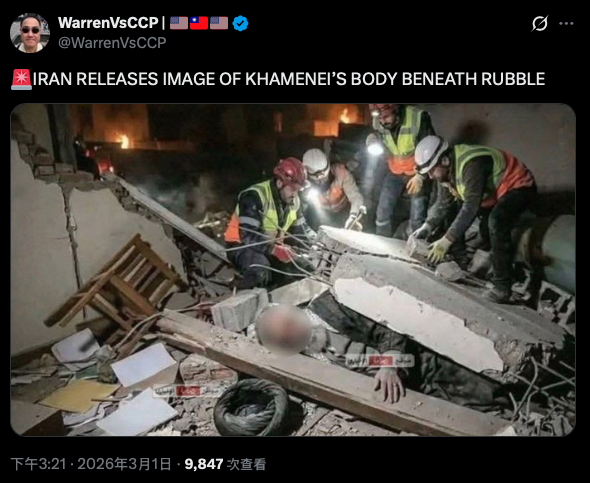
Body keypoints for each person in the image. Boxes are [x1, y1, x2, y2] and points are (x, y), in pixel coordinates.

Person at [251, 291, 509, 410]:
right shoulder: (305, 355)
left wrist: (389, 365)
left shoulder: (331, 305)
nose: (291, 336)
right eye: (284, 339)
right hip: (405, 392)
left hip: (419, 360)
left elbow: (389, 327)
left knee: (488, 391)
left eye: (289, 327)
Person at [411, 135, 536, 303]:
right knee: (480, 227)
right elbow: (443, 203)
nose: (431, 176)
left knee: (497, 221)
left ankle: (502, 287)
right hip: (493, 193)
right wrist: (427, 226)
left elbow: (470, 207)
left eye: (431, 171)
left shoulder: (472, 164)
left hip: (518, 185)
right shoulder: (445, 171)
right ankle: (465, 262)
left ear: (445, 161)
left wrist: (446, 241)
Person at [224, 158, 316, 289]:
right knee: (260, 269)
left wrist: (318, 243)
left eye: (298, 190)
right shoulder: (254, 196)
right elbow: (247, 235)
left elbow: (302, 230)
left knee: (304, 267)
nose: (295, 194)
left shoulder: (293, 201)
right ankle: (240, 294)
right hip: (240, 246)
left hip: (269, 247)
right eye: (293, 189)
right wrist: (274, 249)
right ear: (280, 183)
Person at [369, 104, 435, 237]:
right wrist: (372, 139)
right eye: (379, 118)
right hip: (395, 171)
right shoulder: (378, 121)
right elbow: (378, 136)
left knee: (417, 215)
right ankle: (380, 240)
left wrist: (420, 176)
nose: (382, 122)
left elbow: (431, 148)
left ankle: (415, 244)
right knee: (382, 211)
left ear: (396, 110)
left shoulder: (418, 118)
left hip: (416, 173)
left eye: (386, 117)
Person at [301, 148, 366, 231]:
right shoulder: (305, 184)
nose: (323, 182)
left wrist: (353, 216)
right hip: (321, 215)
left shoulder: (341, 173)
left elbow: (355, 197)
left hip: (343, 212)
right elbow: (303, 209)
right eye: (318, 180)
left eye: (325, 177)